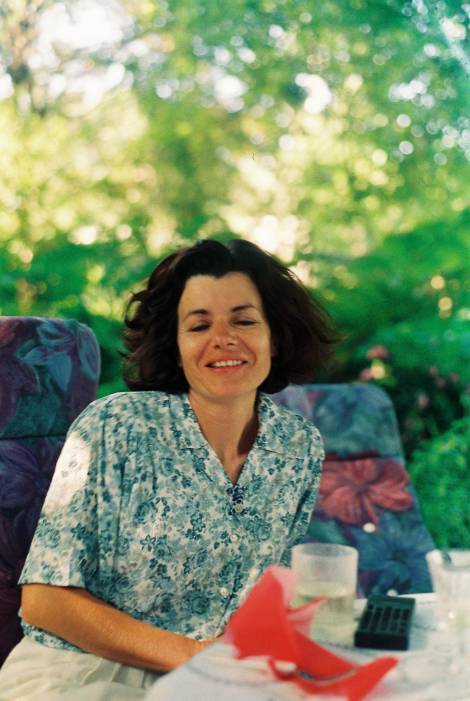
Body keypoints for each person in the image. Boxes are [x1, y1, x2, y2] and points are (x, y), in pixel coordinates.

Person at [0, 238, 337, 700]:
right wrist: (196, 655)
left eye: (243, 320)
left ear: (275, 337)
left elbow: (268, 594)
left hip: (214, 678)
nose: (223, 338)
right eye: (199, 325)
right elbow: (44, 602)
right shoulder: (115, 425)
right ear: (177, 347)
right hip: (83, 672)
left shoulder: (299, 446)